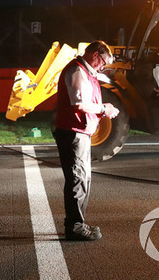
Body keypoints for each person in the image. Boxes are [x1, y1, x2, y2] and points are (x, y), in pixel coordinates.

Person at [53, 40, 119, 241]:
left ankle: (76, 223)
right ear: (95, 55)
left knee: (81, 179)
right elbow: (79, 104)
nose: (103, 66)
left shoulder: (84, 71)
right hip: (74, 133)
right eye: (103, 62)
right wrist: (104, 108)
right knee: (78, 179)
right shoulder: (77, 71)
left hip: (79, 132)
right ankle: (75, 227)